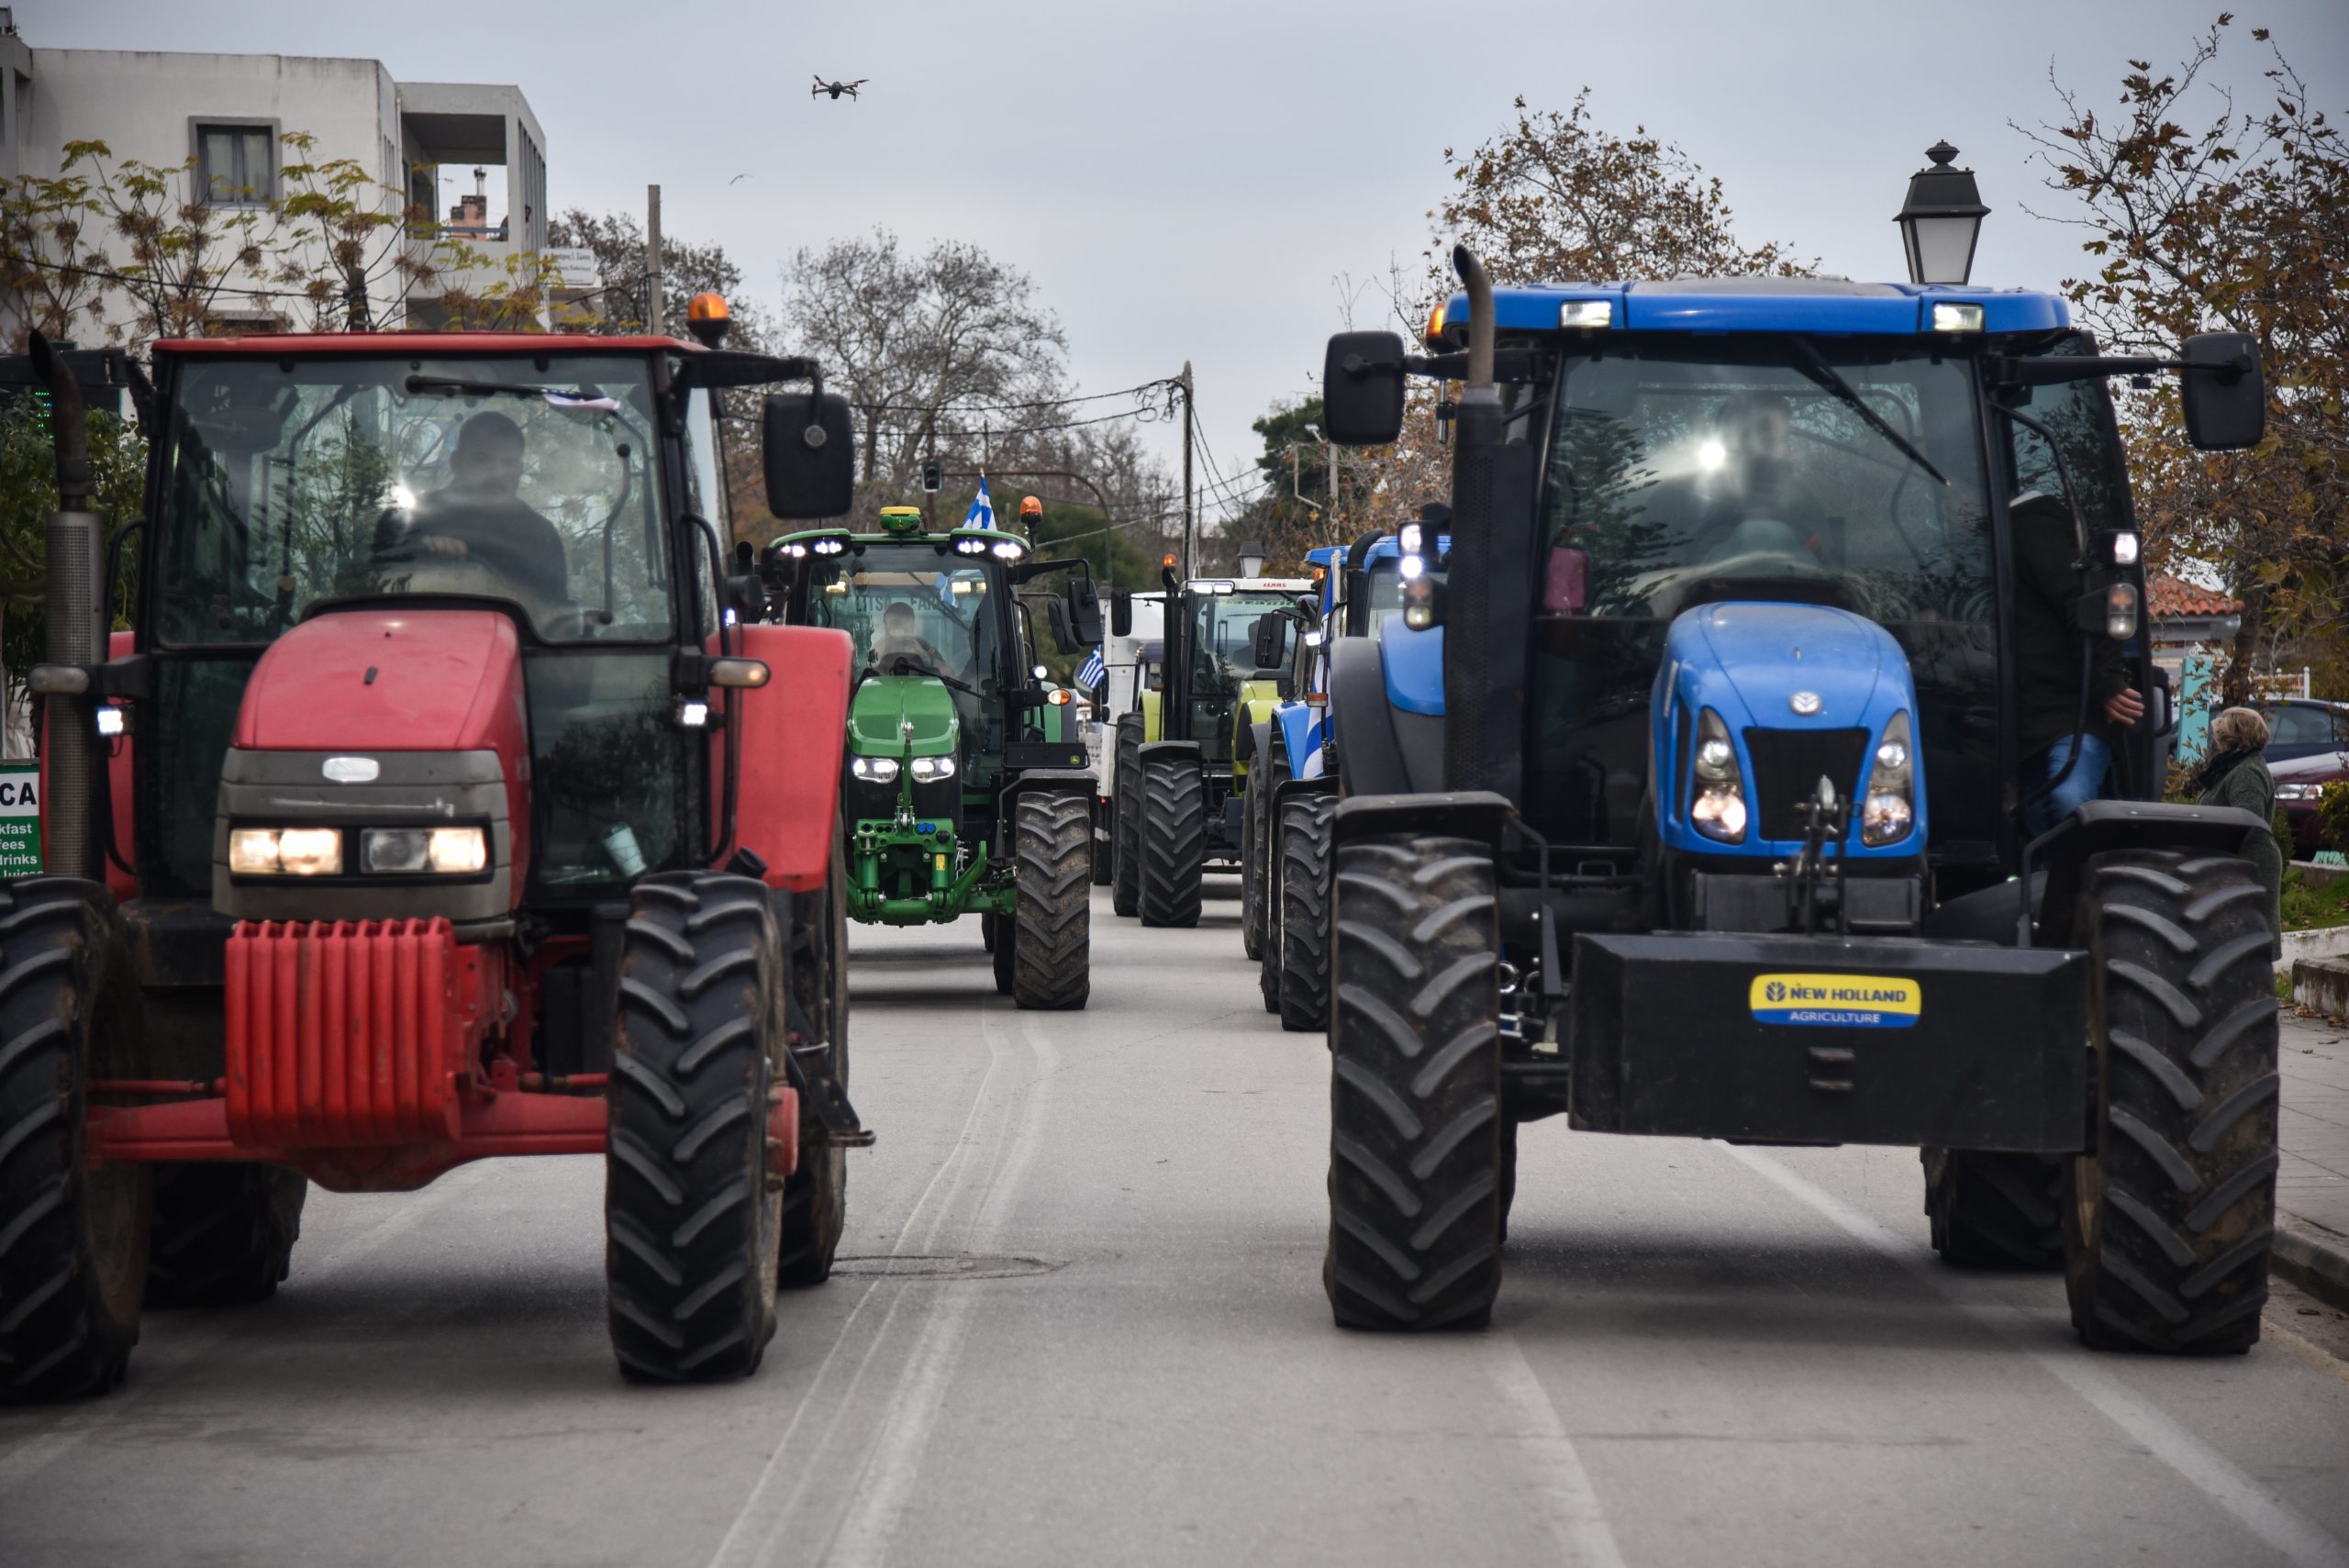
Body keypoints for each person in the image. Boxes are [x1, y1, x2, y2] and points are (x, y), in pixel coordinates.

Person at [2012, 491, 2142, 837]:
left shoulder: (2032, 526)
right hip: (2021, 723)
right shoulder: (1978, 542)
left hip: (2072, 717)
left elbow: (2087, 601)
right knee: (2032, 817)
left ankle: (2075, 882)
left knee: (2068, 801)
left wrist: (2107, 683)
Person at [377, 411, 570, 604]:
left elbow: (553, 619)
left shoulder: (540, 537)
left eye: (509, 463)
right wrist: (424, 565)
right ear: (456, 463)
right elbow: (373, 593)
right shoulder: (406, 520)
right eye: (482, 460)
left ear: (520, 470)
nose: (496, 473)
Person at [2197, 706, 2284, 952]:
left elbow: (2246, 820)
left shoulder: (2247, 771)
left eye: (2220, 730)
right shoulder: (2232, 765)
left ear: (2232, 734)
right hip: (2233, 863)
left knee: (2248, 942)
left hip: (2248, 864)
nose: (2217, 736)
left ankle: (2256, 990)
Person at [869, 600, 949, 673]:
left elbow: (948, 672)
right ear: (886, 625)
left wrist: (923, 655)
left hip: (921, 688)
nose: (898, 626)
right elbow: (867, 674)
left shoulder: (923, 645)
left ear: (912, 624)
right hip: (884, 688)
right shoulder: (878, 648)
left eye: (902, 622)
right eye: (894, 622)